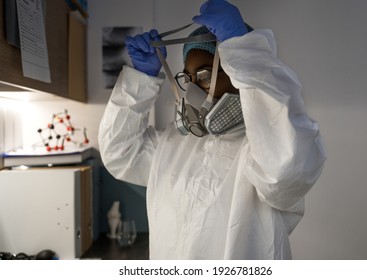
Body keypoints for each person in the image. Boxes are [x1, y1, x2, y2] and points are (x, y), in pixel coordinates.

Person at [98, 0, 326, 259]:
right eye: (188, 79)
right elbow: (119, 152)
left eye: (205, 76)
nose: (193, 91)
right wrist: (141, 80)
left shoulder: (263, 150)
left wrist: (244, 51)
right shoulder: (173, 142)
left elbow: (286, 170)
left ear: (240, 76)